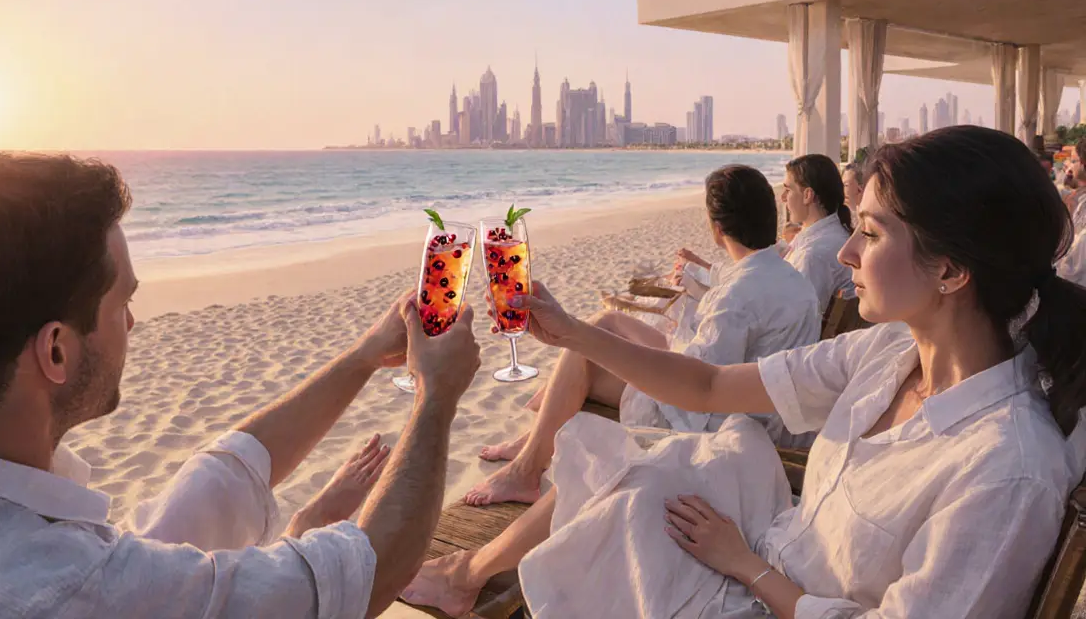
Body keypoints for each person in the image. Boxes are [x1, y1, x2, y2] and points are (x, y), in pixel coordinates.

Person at [403, 126, 1086, 618]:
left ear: (952, 270)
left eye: (872, 233)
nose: (845, 252)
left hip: (770, 587)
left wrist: (747, 568)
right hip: (772, 545)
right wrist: (571, 332)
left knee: (633, 508)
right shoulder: (888, 355)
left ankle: (470, 579)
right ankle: (469, 579)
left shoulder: (1006, 471)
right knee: (639, 481)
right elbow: (706, 386)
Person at [0, 152, 483, 619]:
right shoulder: (62, 589)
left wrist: (362, 358)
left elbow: (208, 493)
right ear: (57, 349)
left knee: (197, 499)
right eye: (121, 301)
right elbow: (365, 573)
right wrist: (437, 398)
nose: (132, 320)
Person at [462, 165, 820, 507]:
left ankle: (525, 470)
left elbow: (698, 381)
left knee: (582, 349)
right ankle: (533, 440)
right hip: (758, 395)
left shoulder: (738, 294)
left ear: (716, 229)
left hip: (724, 415)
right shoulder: (788, 277)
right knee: (608, 320)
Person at [780, 154, 857, 310]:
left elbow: (797, 318)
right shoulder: (836, 235)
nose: (782, 197)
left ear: (808, 195)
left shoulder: (813, 255)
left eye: (788, 190)